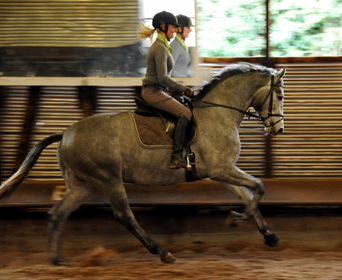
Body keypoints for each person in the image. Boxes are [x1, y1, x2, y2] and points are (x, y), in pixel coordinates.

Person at [138, 11, 194, 169]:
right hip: (153, 92)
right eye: (173, 27)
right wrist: (183, 88)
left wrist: (179, 90)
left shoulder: (163, 45)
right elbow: (163, 77)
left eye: (177, 28)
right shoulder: (160, 48)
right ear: (163, 27)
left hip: (160, 90)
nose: (176, 30)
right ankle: (176, 156)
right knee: (186, 113)